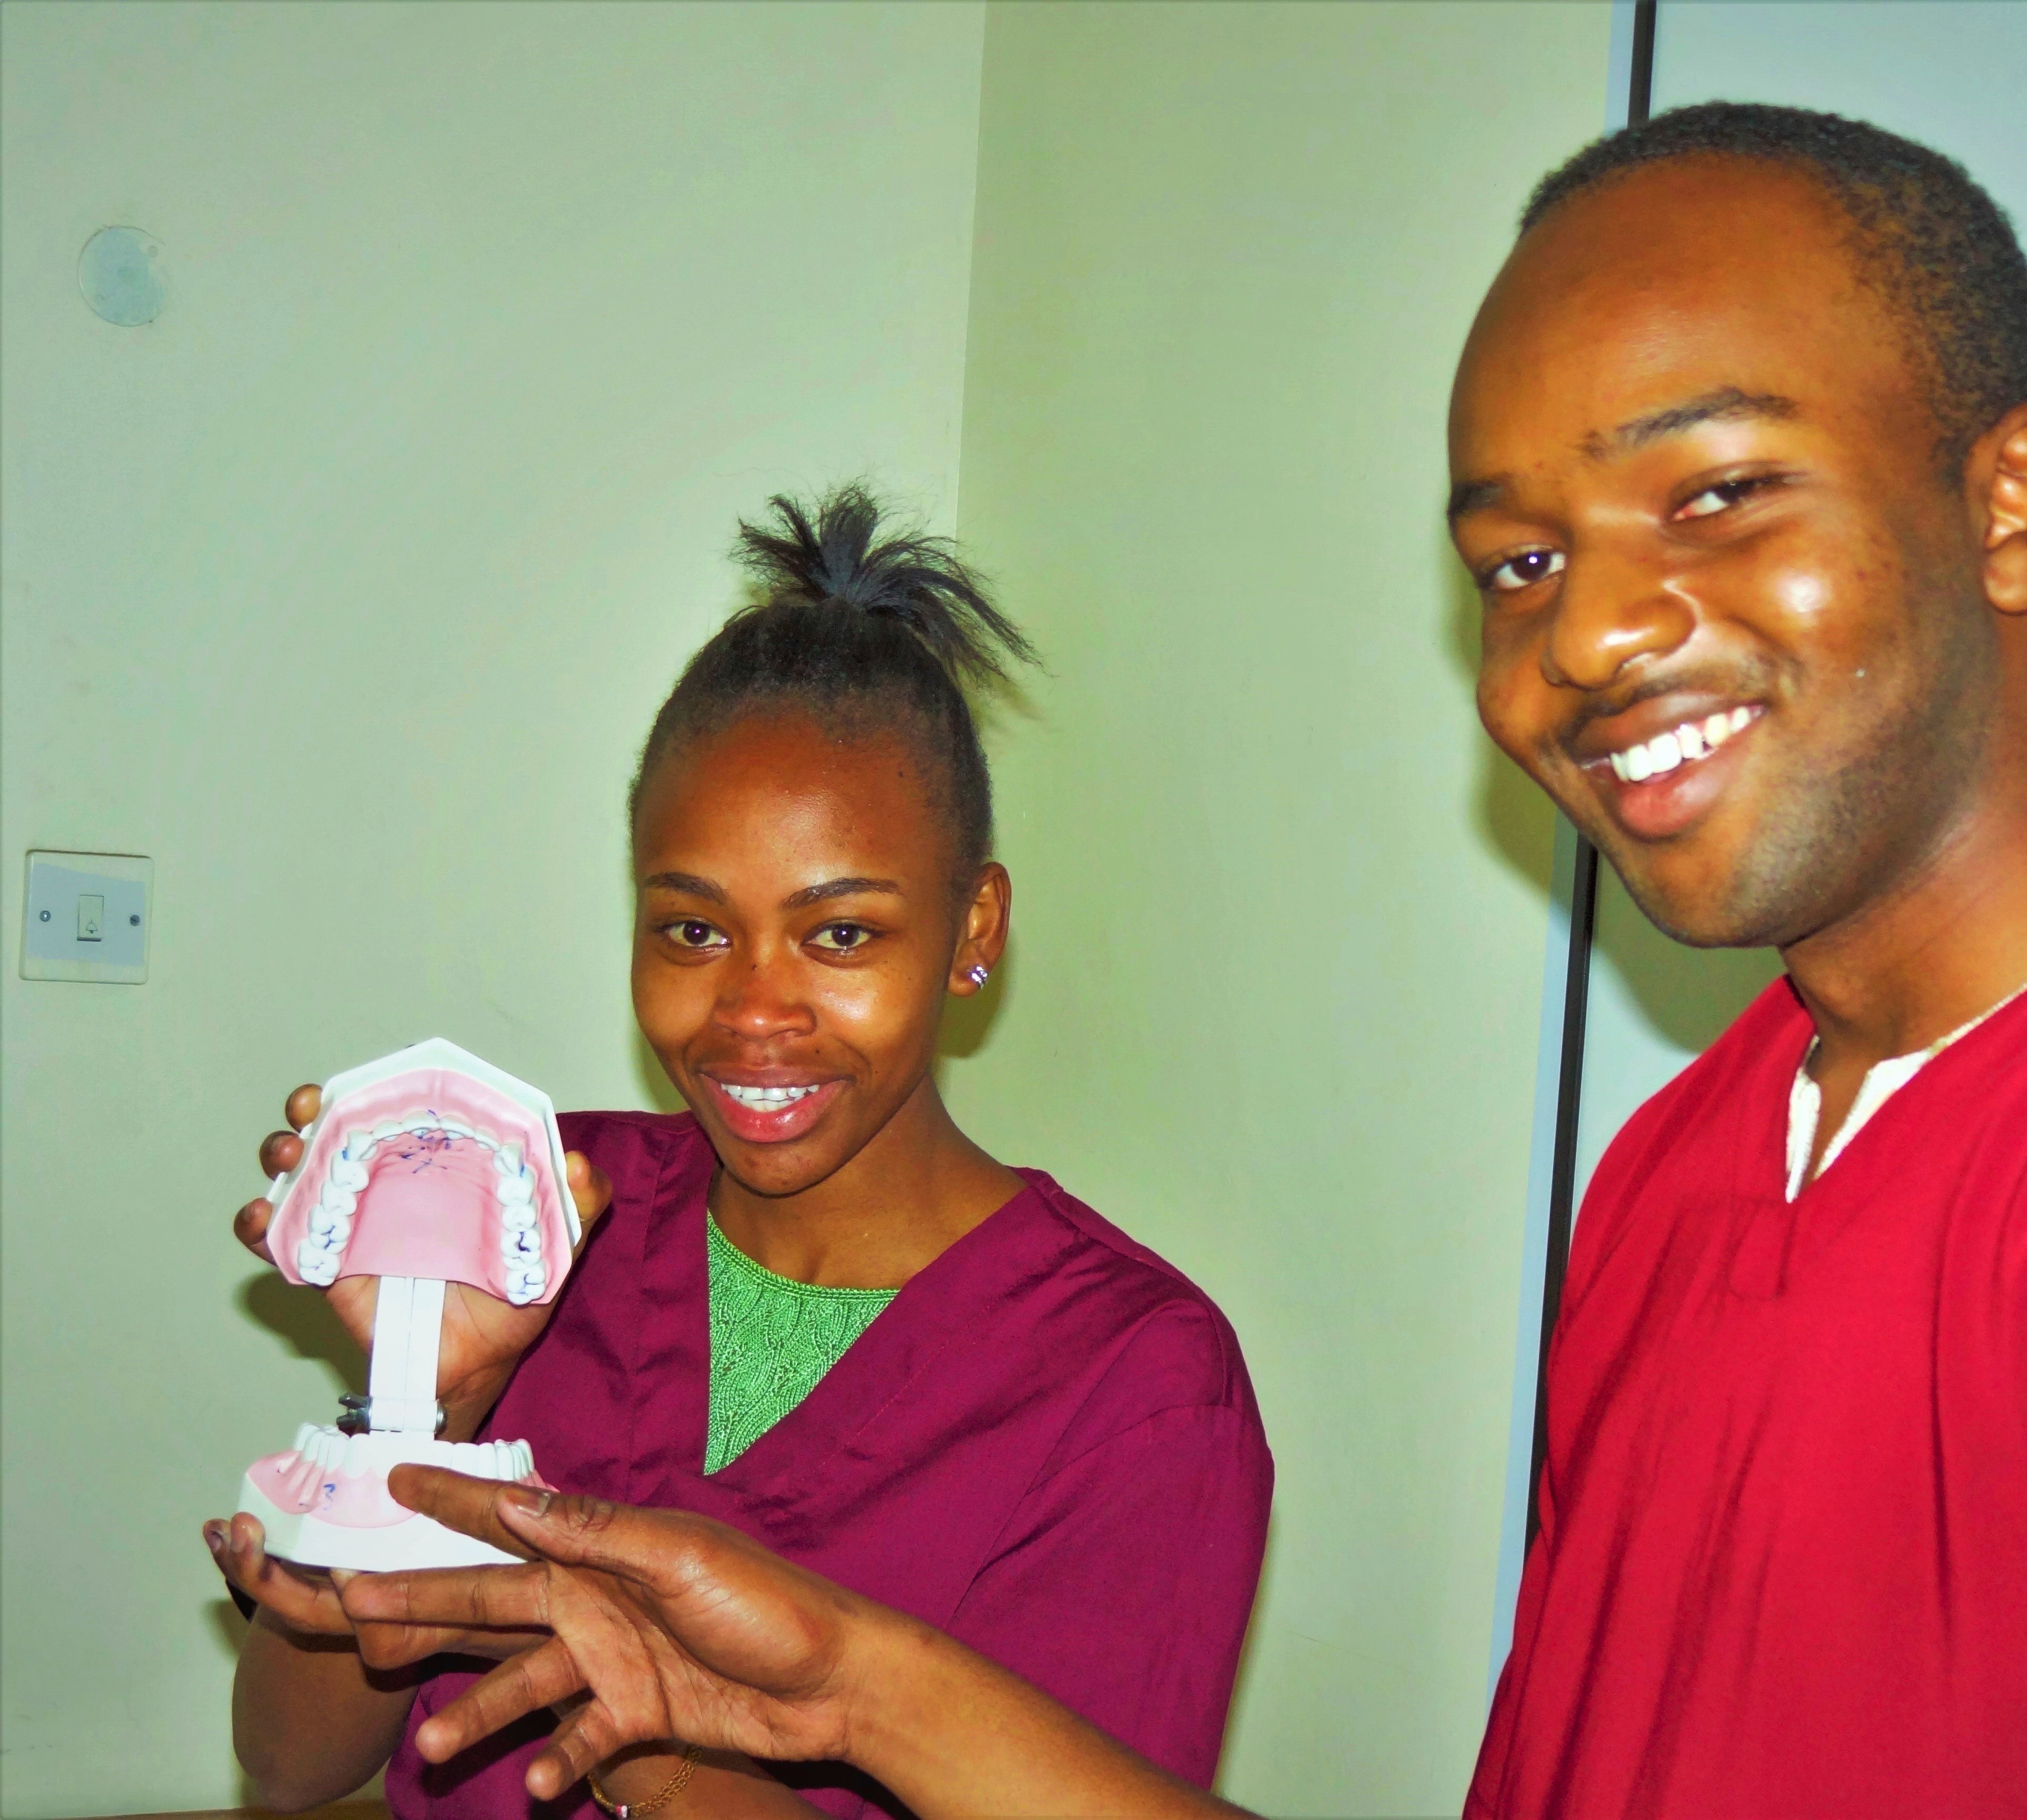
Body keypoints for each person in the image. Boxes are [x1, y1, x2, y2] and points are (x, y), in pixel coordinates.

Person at [336, 100, 2027, 1818]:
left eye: (1710, 490)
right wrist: (858, 1689)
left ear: (2012, 500)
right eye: (1520, 559)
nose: (1585, 637)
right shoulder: (1681, 1179)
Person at [202, 487, 1273, 1818]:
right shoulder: (541, 1219)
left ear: (974, 927)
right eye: (694, 932)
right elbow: (290, 1764)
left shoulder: (1137, 1387)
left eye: (841, 935)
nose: (753, 1014)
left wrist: (635, 1723)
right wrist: (429, 1397)